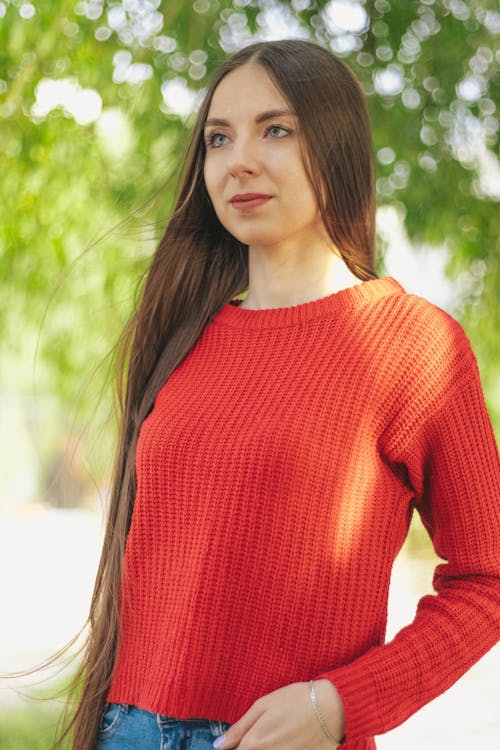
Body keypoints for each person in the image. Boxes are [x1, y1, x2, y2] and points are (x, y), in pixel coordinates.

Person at [62, 38, 500, 749]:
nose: (239, 161)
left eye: (275, 129)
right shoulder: (184, 336)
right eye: (218, 138)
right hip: (129, 731)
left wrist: (339, 705)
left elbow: (488, 580)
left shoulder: (414, 345)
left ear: (335, 146)